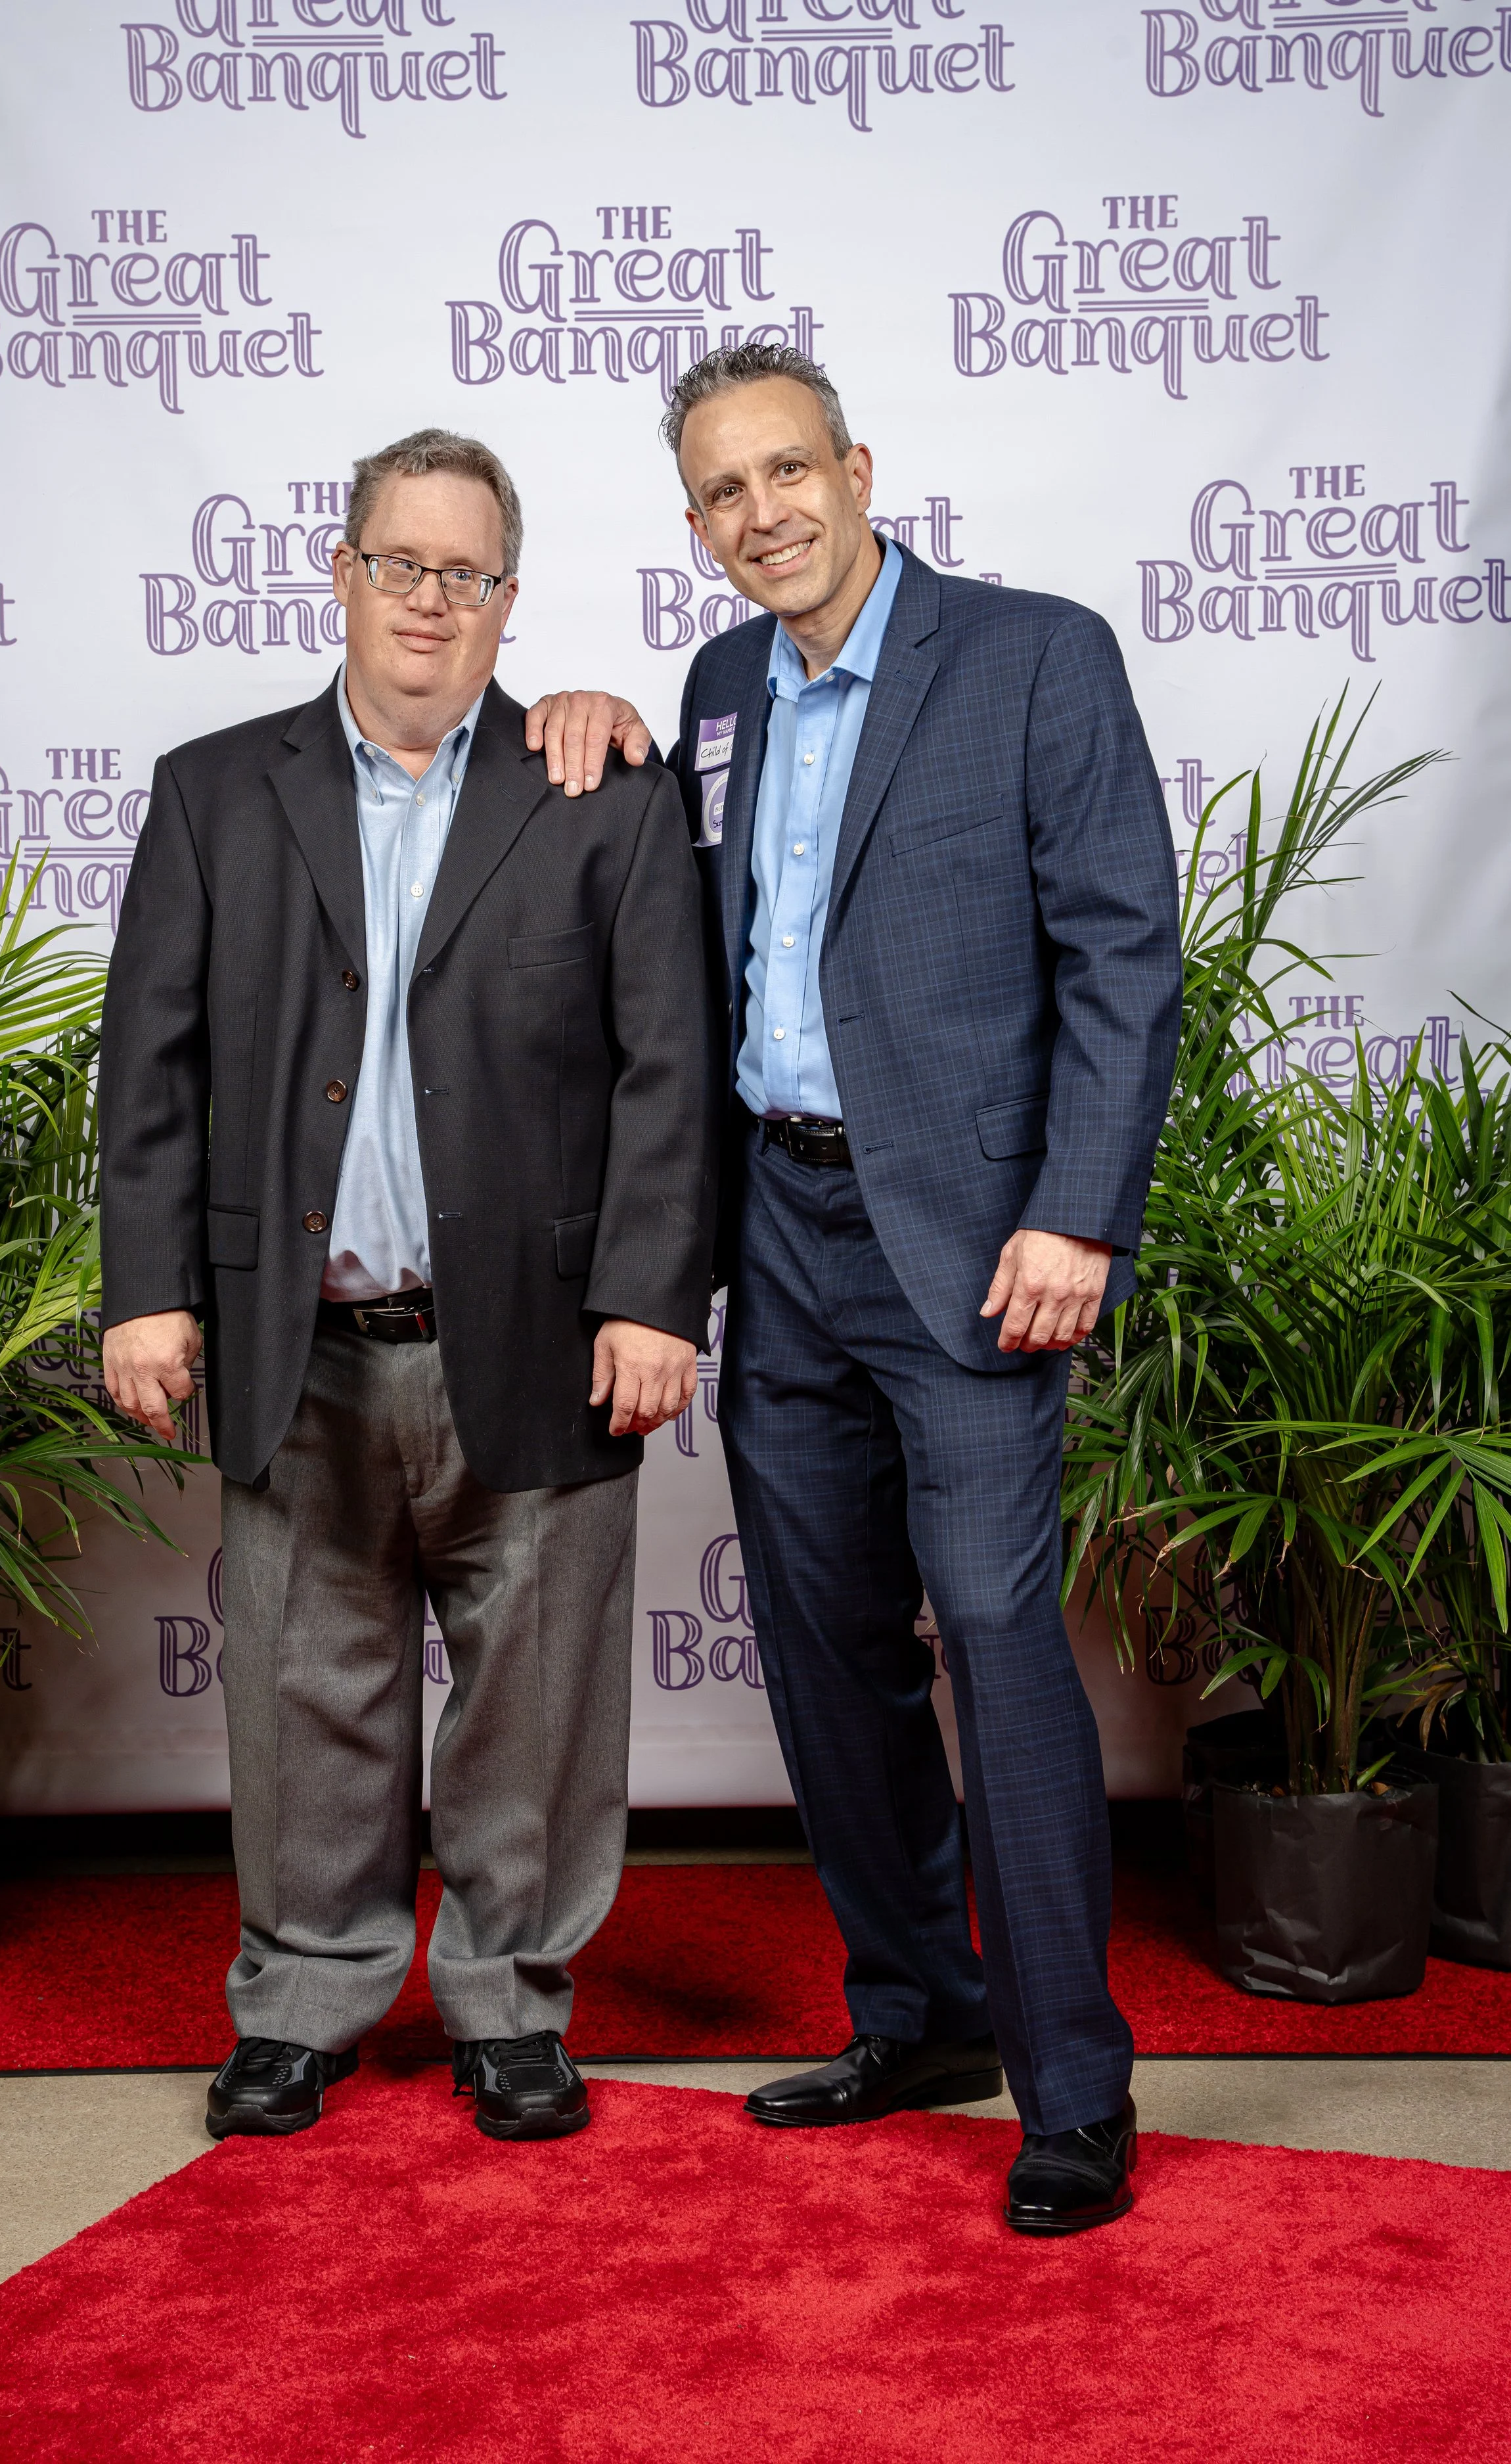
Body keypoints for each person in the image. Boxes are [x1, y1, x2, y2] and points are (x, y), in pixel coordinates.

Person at [530, 346, 1182, 2234]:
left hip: (977, 1245)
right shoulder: (719, 685)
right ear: (695, 526)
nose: (764, 513)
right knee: (824, 1654)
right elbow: (684, 927)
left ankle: (1073, 2084)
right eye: (723, 491)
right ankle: (918, 2015)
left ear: (858, 467)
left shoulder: (1032, 653)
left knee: (991, 1635)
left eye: (788, 470)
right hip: (782, 1242)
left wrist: (1077, 1213)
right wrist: (581, 714)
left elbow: (1124, 952)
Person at [99, 428, 716, 2147]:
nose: (429, 599)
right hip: (295, 1339)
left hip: (534, 1336)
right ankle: (300, 1999)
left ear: (507, 597)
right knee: (303, 1687)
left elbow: (671, 1065)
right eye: (400, 562)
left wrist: (655, 1297)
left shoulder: (601, 792)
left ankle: (514, 2001)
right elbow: (144, 1061)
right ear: (342, 569)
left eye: (465, 572)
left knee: (537, 1702)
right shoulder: (215, 789)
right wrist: (147, 1290)